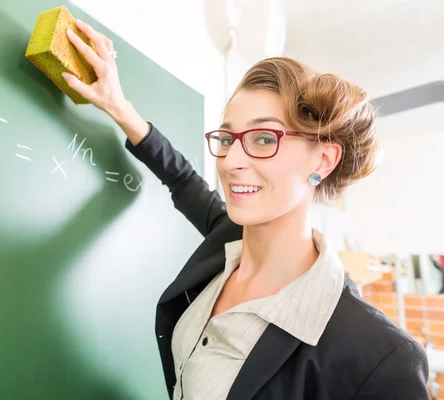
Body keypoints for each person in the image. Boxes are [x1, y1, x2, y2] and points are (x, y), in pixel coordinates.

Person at [61, 19, 430, 400]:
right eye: (226, 137)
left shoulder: (379, 357)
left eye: (264, 138)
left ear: (322, 160)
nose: (231, 160)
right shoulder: (226, 237)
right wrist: (119, 107)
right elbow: (182, 179)